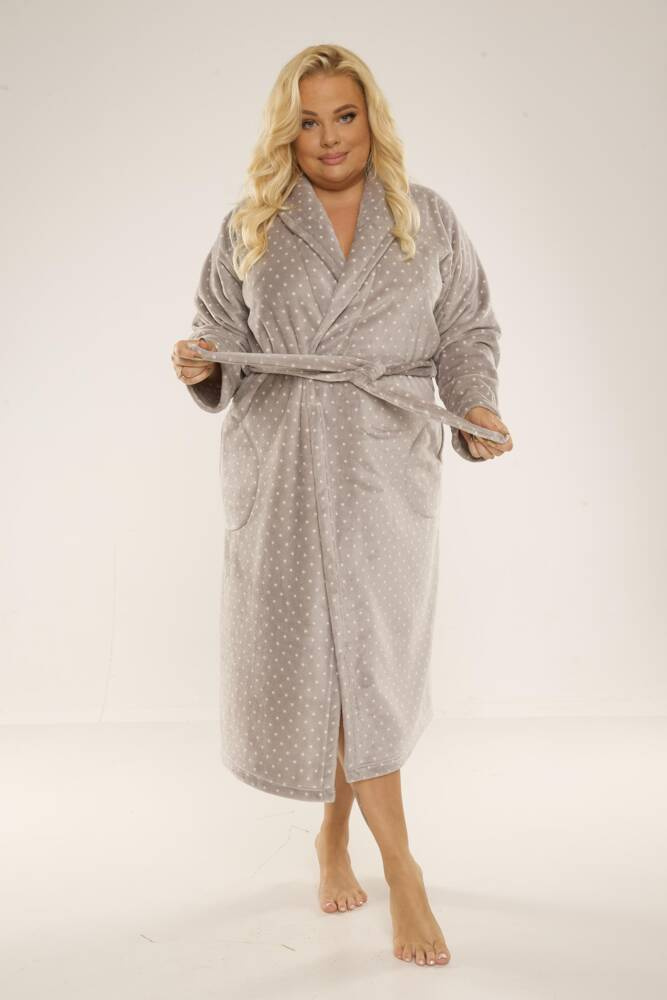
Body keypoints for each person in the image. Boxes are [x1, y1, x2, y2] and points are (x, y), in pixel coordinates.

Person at [171, 43, 513, 968]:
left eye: (345, 116)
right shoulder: (252, 223)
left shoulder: (424, 218)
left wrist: (477, 409)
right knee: (315, 665)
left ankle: (374, 853)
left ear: (372, 119)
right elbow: (219, 332)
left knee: (366, 666)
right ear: (286, 132)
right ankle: (372, 853)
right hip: (280, 466)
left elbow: (466, 328)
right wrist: (200, 365)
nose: (328, 138)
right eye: (308, 121)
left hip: (382, 467)